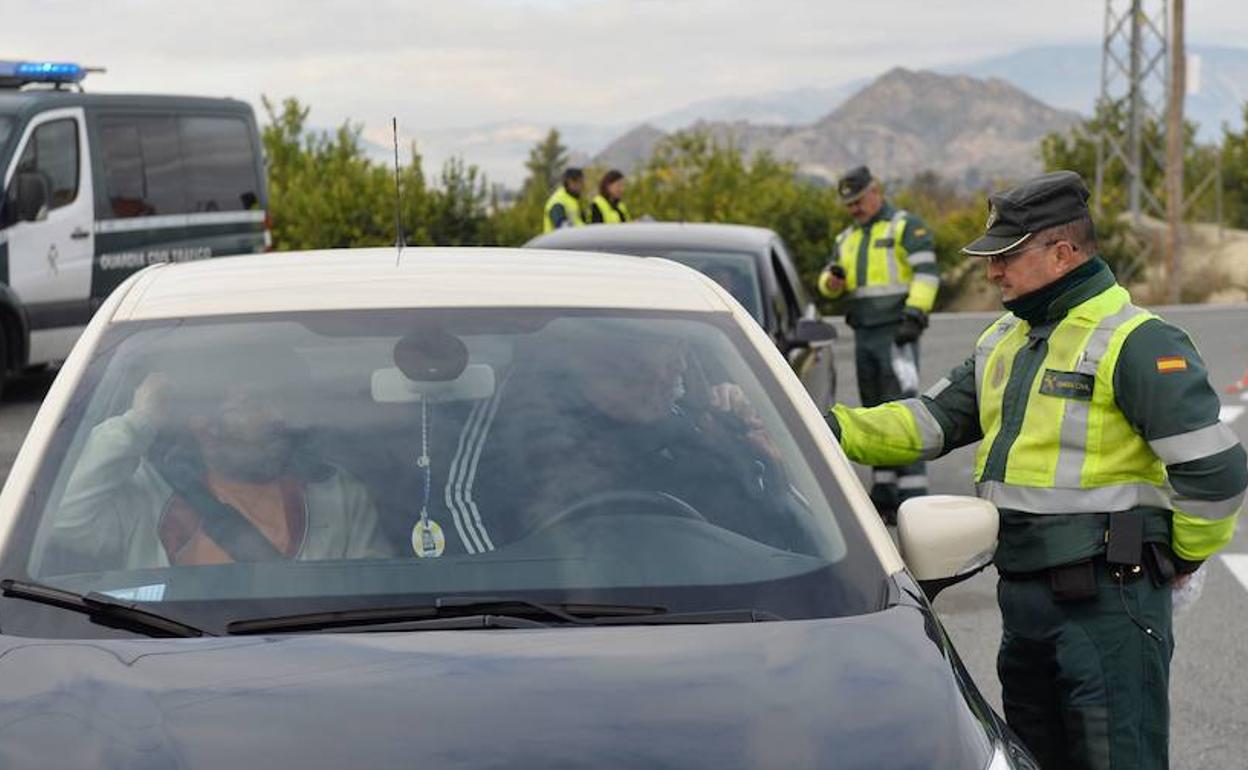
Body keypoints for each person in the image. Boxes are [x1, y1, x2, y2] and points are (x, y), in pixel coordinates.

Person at [826, 170, 1247, 769]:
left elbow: (1217, 472)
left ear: (1063, 252)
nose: (993, 272)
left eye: (1006, 257)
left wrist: (1175, 563)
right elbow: (929, 421)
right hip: (1025, 605)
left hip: (1111, 606)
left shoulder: (1135, 340)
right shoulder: (1005, 337)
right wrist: (826, 429)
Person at [470, 325, 792, 548]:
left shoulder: (705, 433)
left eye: (684, 349)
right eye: (668, 349)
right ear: (606, 360)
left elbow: (775, 540)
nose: (680, 365)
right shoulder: (508, 443)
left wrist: (768, 462)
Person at [49, 361, 391, 570]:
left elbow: (375, 590)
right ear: (203, 423)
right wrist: (139, 421)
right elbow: (62, 518)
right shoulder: (147, 495)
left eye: (282, 401)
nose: (279, 417)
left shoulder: (336, 494)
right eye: (255, 403)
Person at [816, 166, 940, 522]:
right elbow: (827, 284)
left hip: (897, 331)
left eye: (858, 201)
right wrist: (831, 280)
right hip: (864, 333)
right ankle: (885, 492)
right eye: (848, 204)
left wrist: (915, 315)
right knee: (875, 410)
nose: (854, 209)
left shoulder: (904, 227)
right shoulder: (847, 239)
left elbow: (927, 274)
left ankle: (914, 497)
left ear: (876, 191)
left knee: (903, 408)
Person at [542, 167, 586, 233]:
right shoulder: (558, 201)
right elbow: (562, 227)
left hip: (575, 241)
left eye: (582, 182)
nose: (582, 185)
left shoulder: (573, 199)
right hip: (559, 242)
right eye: (579, 182)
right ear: (569, 182)